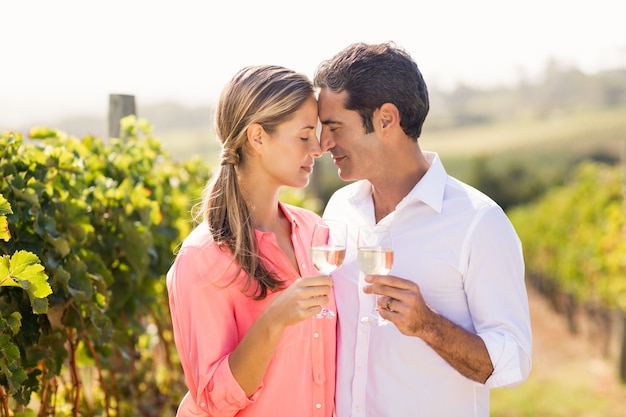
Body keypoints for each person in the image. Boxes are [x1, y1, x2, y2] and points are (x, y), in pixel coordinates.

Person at [314, 42, 532, 417]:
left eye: (335, 127)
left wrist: (428, 325)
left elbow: (513, 362)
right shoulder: (339, 210)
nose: (324, 143)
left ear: (386, 119)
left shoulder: (478, 222)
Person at [166, 65, 336, 417]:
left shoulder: (316, 233)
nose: (318, 148)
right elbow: (211, 400)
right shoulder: (203, 259)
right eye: (304, 136)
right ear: (257, 137)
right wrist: (273, 320)